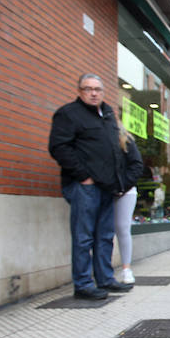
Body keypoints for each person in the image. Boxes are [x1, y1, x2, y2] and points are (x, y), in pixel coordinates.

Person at [48, 74, 133, 299]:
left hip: (107, 187)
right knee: (83, 237)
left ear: (103, 92)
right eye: (88, 89)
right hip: (84, 187)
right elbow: (58, 147)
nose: (94, 93)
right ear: (79, 91)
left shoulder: (108, 114)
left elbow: (115, 150)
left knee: (105, 236)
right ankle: (83, 284)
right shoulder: (69, 114)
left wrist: (117, 182)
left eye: (97, 89)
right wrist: (83, 176)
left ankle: (105, 279)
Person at [113, 114, 144, 284]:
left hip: (126, 191)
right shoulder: (100, 141)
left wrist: (122, 187)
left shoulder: (127, 141)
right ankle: (104, 270)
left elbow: (136, 165)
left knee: (122, 228)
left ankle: (126, 268)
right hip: (106, 190)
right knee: (104, 231)